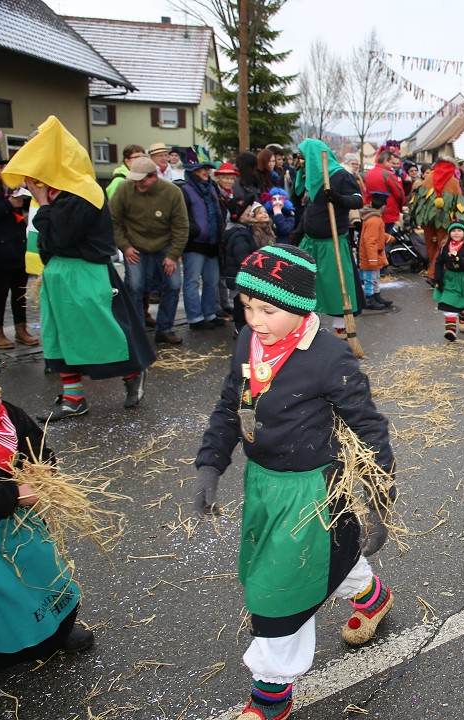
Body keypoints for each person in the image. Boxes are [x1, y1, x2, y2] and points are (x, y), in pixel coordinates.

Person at [193, 245, 396, 720]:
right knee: (318, 564)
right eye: (246, 305)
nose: (254, 319)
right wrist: (210, 464)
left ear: (301, 306)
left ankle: (270, 700)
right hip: (264, 484)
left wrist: (379, 497)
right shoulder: (247, 341)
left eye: (268, 309)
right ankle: (372, 596)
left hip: (314, 493)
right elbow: (230, 405)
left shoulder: (329, 357)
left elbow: (369, 430)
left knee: (279, 592)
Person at [2, 116, 154, 420]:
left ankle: (132, 373)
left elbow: (59, 236)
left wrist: (43, 204)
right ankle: (74, 398)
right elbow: (47, 240)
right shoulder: (55, 190)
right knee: (58, 335)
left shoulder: (83, 190)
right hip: (58, 274)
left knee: (102, 333)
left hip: (86, 273)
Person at [0, 350, 96, 684]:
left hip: (22, 525)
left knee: (41, 571)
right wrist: (13, 494)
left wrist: (44, 467)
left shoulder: (7, 416)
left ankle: (54, 633)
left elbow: (37, 445)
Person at [110, 156, 190, 345]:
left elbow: (181, 226)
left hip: (164, 245)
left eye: (142, 180)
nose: (138, 184)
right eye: (135, 180)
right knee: (135, 286)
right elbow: (113, 220)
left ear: (154, 176)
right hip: (135, 246)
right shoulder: (124, 189)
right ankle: (137, 331)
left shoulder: (172, 192)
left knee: (172, 284)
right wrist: (125, 246)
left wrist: (173, 255)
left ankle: (164, 329)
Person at [295, 138, 365, 331]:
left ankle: (341, 327)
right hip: (310, 242)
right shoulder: (312, 178)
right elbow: (307, 206)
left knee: (336, 286)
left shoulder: (340, 175)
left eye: (304, 159)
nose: (302, 163)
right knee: (305, 284)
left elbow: (358, 200)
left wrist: (338, 199)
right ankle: (308, 326)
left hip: (331, 242)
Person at [0, 148, 38, 350]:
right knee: (0, 291)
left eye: (0, 167)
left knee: (19, 291)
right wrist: (7, 204)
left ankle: (21, 329)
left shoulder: (7, 186)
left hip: (17, 244)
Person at [179, 160, 226, 331]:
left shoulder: (211, 187)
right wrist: (196, 231)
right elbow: (182, 216)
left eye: (207, 168)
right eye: (202, 169)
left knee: (211, 280)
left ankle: (209, 313)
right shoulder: (185, 189)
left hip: (212, 242)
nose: (206, 172)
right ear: (193, 171)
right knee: (192, 281)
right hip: (194, 242)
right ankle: (194, 317)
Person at [222, 199, 275, 331]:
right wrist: (253, 272)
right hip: (240, 276)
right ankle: (240, 329)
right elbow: (243, 259)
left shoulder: (245, 231)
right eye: (247, 212)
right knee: (242, 303)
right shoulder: (240, 234)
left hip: (241, 276)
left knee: (245, 302)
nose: (251, 213)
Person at [409, 158, 464, 281]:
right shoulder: (453, 181)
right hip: (443, 218)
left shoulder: (428, 179)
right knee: (443, 245)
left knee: (431, 245)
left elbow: (419, 198)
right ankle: (434, 274)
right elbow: (458, 202)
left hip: (427, 217)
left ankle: (435, 270)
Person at [433, 220, 464, 341]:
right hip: (450, 278)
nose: (456, 233)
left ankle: (463, 317)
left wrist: (460, 259)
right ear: (449, 233)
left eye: (459, 230)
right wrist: (437, 278)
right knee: (448, 302)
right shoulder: (445, 247)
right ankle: (450, 330)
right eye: (453, 230)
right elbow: (439, 263)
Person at [359, 192, 393, 311]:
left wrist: (388, 238)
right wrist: (372, 259)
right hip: (371, 255)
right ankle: (370, 298)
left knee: (376, 277)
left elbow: (376, 235)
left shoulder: (374, 219)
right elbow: (370, 240)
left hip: (375, 254)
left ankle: (376, 295)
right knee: (370, 278)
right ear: (382, 206)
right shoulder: (374, 220)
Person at [363, 150, 406, 235]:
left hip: (371, 211)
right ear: (386, 161)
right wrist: (401, 207)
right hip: (388, 212)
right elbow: (399, 194)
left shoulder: (369, 174)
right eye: (391, 162)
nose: (392, 166)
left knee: (373, 238)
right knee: (385, 240)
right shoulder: (388, 174)